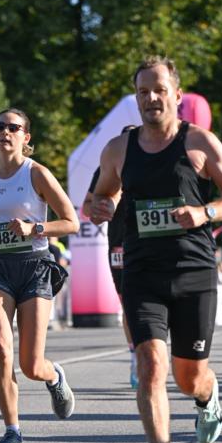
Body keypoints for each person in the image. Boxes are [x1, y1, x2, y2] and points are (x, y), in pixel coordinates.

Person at [90, 56, 222, 443]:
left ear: (176, 95)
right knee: (150, 366)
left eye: (159, 90)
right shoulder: (118, 149)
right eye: (143, 92)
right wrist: (100, 207)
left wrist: (204, 211)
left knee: (188, 377)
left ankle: (207, 396)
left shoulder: (200, 142)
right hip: (142, 272)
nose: (151, 98)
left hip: (193, 271)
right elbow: (99, 199)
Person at [0, 107, 79, 443]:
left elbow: (71, 222)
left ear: (25, 137)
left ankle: (53, 376)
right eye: (0, 126)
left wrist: (35, 228)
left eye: (13, 127)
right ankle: (12, 433)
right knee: (0, 347)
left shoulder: (37, 174)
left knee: (31, 365)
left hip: (35, 266)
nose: (5, 132)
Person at [82, 124, 139, 388]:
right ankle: (136, 355)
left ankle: (155, 348)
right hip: (119, 243)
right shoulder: (107, 166)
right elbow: (87, 207)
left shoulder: (153, 162)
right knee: (128, 302)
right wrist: (100, 207)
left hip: (152, 242)